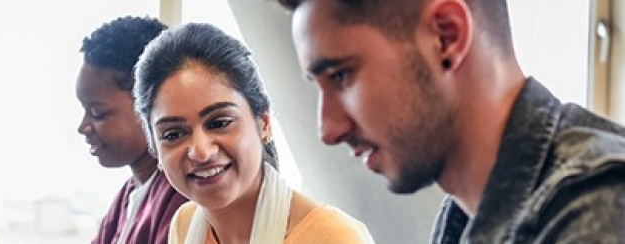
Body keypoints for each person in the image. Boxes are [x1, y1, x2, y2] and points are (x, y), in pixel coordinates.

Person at [277, 0, 625, 242]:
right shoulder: (461, 211)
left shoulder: (595, 209)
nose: (328, 129)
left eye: (341, 76)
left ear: (446, 36)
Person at [133, 22, 374, 244]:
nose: (201, 152)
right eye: (173, 135)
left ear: (264, 124)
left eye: (219, 122)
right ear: (155, 149)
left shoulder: (331, 237)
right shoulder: (185, 225)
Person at [77, 16, 190, 244]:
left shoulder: (184, 198)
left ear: (150, 106)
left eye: (98, 113)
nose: (83, 127)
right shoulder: (128, 196)